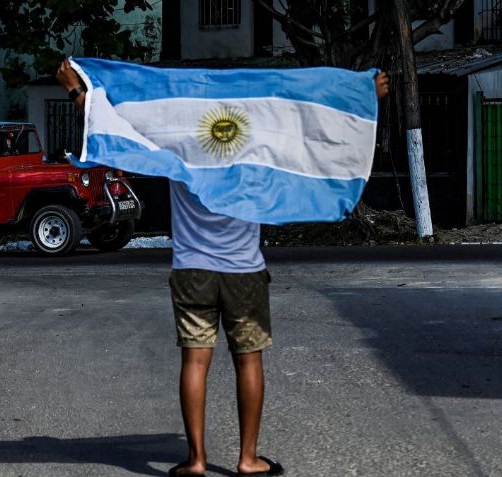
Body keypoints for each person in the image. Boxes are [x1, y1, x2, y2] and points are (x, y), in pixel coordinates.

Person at [57, 58, 389, 477]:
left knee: (195, 363)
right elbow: (307, 126)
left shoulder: (176, 143)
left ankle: (195, 461)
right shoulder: (256, 150)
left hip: (191, 268)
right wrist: (363, 98)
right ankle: (248, 460)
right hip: (245, 270)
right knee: (248, 361)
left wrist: (74, 89)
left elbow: (118, 125)